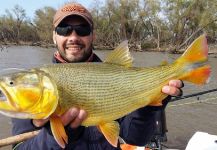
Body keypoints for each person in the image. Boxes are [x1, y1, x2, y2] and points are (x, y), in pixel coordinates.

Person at [11, 3, 183, 150]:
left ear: (92, 35)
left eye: (82, 29)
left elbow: (135, 139)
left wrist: (149, 107)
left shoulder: (114, 78)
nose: (73, 37)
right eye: (64, 29)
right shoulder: (32, 87)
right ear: (54, 36)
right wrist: (57, 137)